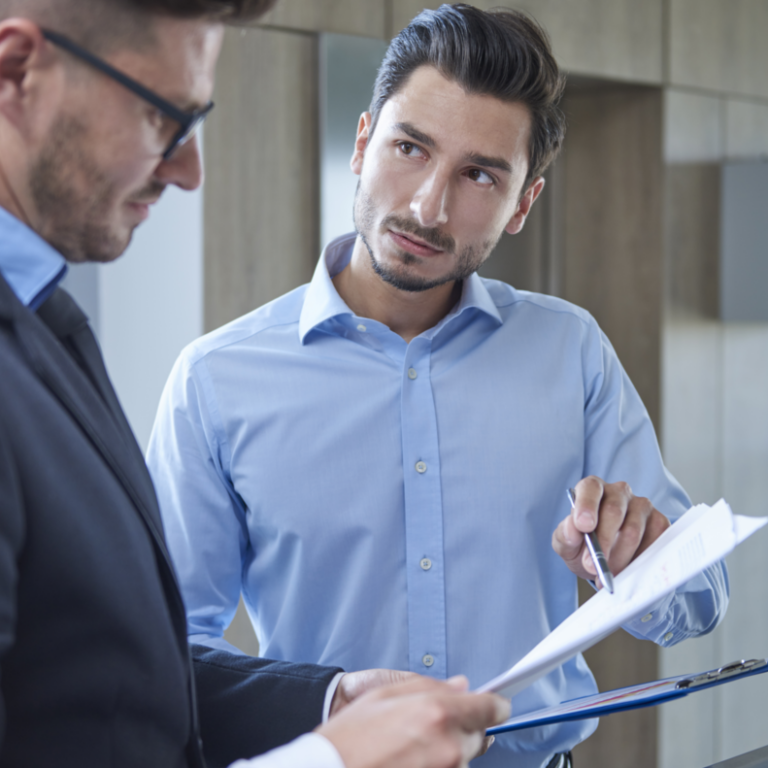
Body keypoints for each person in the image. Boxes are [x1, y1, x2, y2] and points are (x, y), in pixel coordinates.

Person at [147, 4, 729, 768]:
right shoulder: (215, 380)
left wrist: (638, 560)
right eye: (410, 147)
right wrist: (325, 701)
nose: (428, 206)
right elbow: (163, 651)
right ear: (363, 143)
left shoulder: (572, 350)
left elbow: (700, 601)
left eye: (479, 174)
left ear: (523, 204)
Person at [0, 0, 512, 766]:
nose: (188, 170)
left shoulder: (49, 321)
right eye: (160, 117)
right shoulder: (201, 369)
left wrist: (325, 702)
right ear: (17, 71)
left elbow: (116, 677)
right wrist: (330, 760)